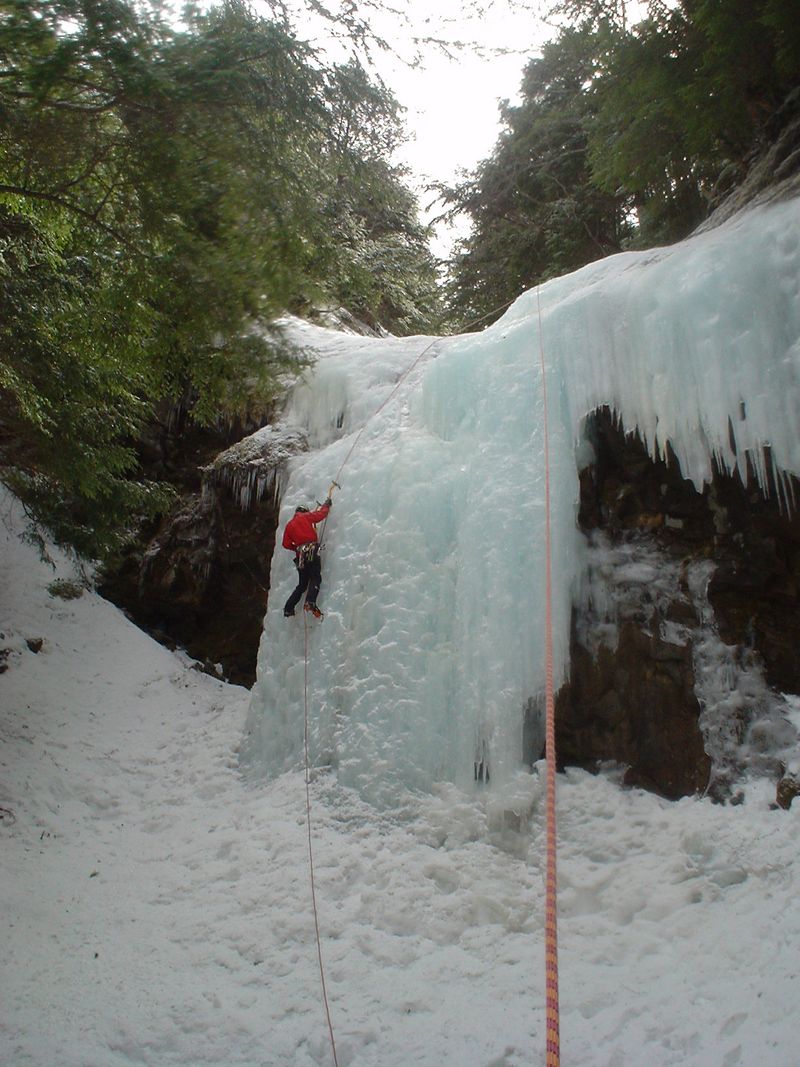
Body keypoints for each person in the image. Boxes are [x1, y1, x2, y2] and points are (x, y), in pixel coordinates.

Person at [282, 496, 332, 619]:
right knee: (315, 577)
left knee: (302, 584)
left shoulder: (289, 525)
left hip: (300, 555)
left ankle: (288, 608)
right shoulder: (306, 517)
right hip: (311, 549)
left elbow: (285, 544)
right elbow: (320, 515)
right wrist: (326, 505)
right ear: (304, 511)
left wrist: (296, 548)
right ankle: (310, 601)